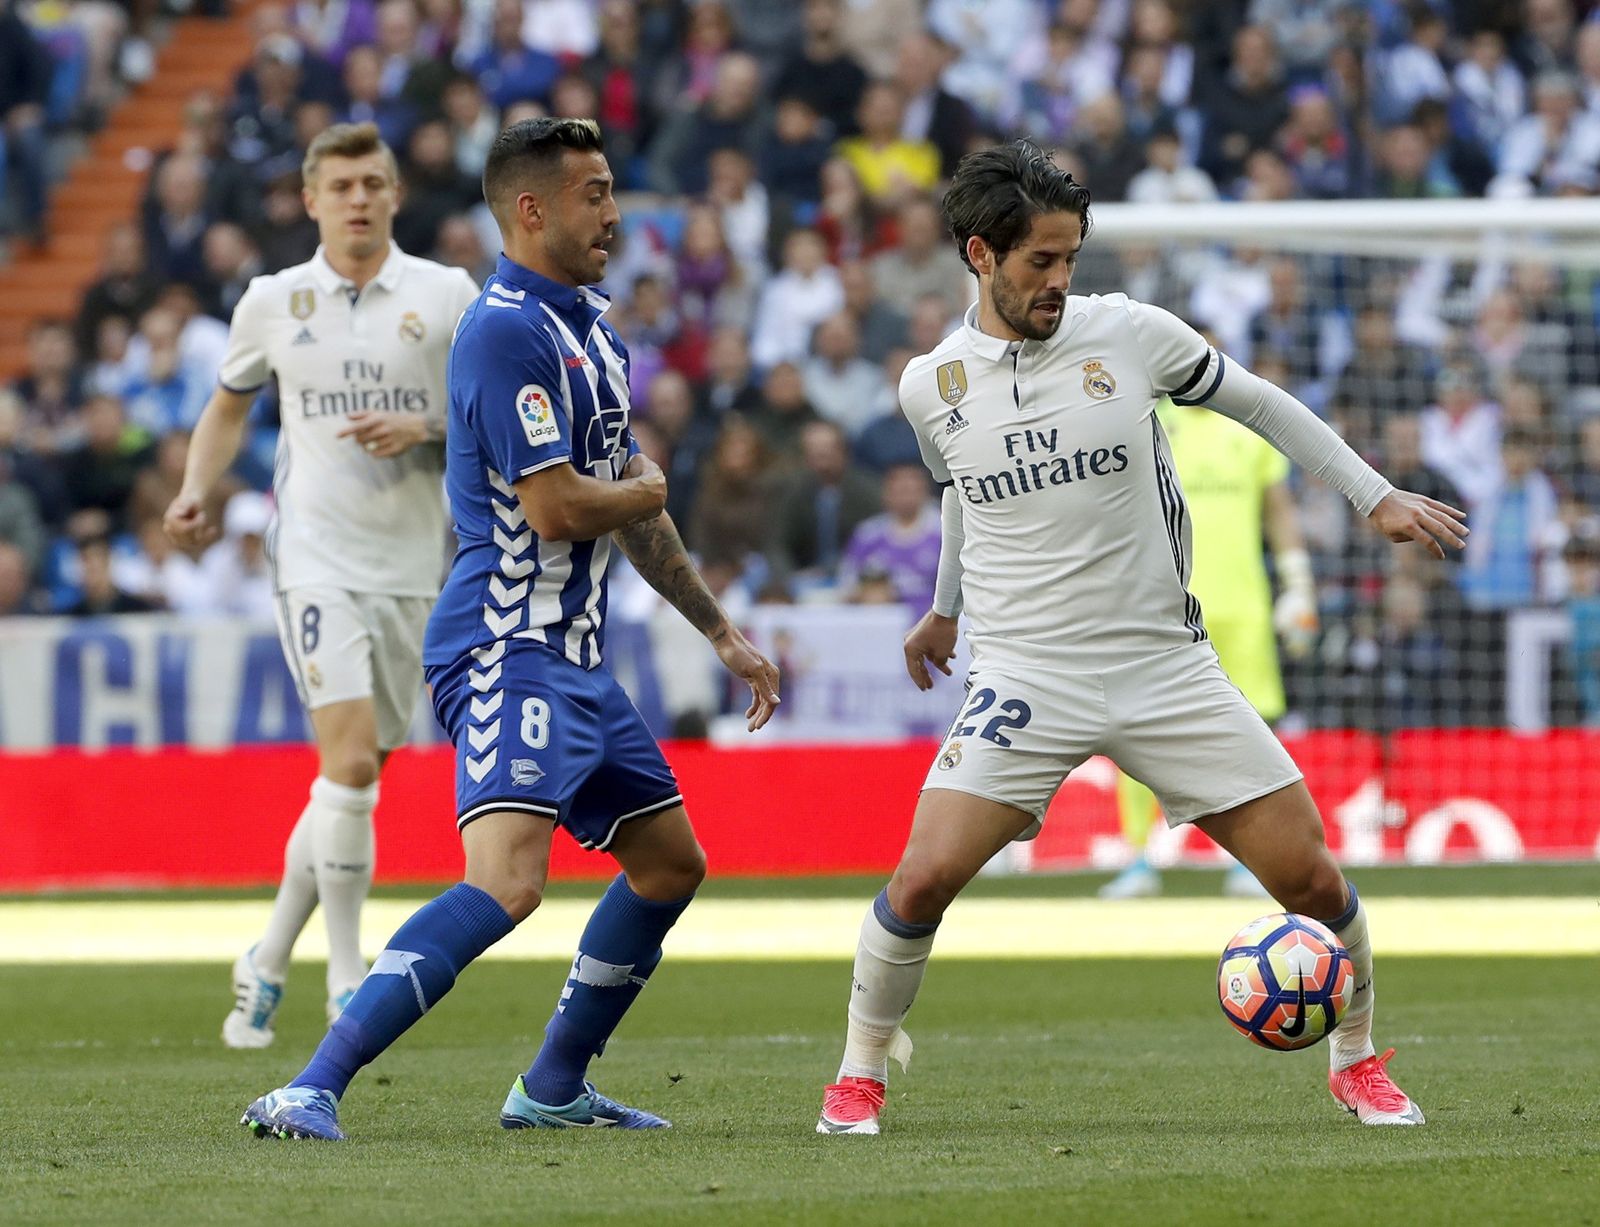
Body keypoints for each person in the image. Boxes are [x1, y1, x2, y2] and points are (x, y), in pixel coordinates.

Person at [816, 140, 1467, 1137]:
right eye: (1040, 260)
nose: (1060, 281)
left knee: (1312, 879)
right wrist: (945, 610)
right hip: (1025, 673)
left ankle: (1356, 1059)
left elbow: (1261, 406)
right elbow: (960, 499)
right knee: (921, 879)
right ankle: (859, 1075)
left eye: (1072, 257)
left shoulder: (1129, 336)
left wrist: (1371, 495)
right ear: (980, 256)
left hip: (1163, 665)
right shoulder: (929, 385)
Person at [241, 118, 780, 1142]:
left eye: (612, 189)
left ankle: (551, 1087)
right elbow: (559, 509)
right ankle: (308, 1086)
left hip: (576, 657)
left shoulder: (594, 332)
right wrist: (644, 488)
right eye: (594, 194)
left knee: (670, 865)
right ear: (530, 210)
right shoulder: (501, 331)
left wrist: (718, 631)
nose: (614, 214)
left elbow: (629, 505)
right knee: (506, 884)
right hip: (502, 645)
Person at [164, 122, 482, 1049]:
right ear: (310, 200)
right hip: (314, 557)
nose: (356, 199)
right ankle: (348, 981)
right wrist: (194, 490)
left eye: (371, 183)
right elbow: (227, 406)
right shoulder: (273, 300)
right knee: (347, 767)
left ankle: (264, 957)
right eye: (338, 185)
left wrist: (422, 427)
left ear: (392, 195)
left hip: (416, 569)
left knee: (351, 785)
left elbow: (484, 416)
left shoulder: (448, 295)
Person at [1099, 393, 1319, 900]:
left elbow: (1278, 514)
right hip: (1164, 605)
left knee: (1253, 730)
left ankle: (1252, 862)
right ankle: (1137, 858)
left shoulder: (1248, 430)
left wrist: (1299, 585)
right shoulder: (1146, 424)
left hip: (1243, 606)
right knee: (1138, 724)